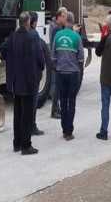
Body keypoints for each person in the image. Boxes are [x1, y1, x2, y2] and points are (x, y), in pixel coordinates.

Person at [0, 12, 45, 155]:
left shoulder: (13, 37)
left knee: (18, 114)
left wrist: (11, 63)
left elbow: (2, 50)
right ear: (28, 22)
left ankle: (17, 143)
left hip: (16, 82)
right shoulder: (33, 36)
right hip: (29, 82)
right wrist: (40, 67)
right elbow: (40, 57)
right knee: (27, 115)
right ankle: (26, 145)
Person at [53, 12, 85, 140]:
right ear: (73, 22)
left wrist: (58, 66)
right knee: (71, 102)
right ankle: (69, 131)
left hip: (60, 73)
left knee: (63, 100)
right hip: (73, 74)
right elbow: (81, 58)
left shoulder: (57, 35)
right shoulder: (76, 37)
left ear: (65, 21)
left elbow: (53, 56)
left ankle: (63, 128)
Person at [29, 11, 53, 136]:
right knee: (32, 103)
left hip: (21, 78)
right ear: (34, 23)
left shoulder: (16, 35)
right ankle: (32, 127)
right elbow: (41, 60)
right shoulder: (35, 37)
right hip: (32, 77)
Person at [49, 8, 67, 119]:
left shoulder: (59, 27)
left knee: (58, 86)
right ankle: (54, 110)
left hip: (58, 60)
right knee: (56, 86)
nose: (66, 19)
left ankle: (57, 108)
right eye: (64, 16)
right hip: (57, 61)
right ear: (59, 16)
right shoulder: (56, 29)